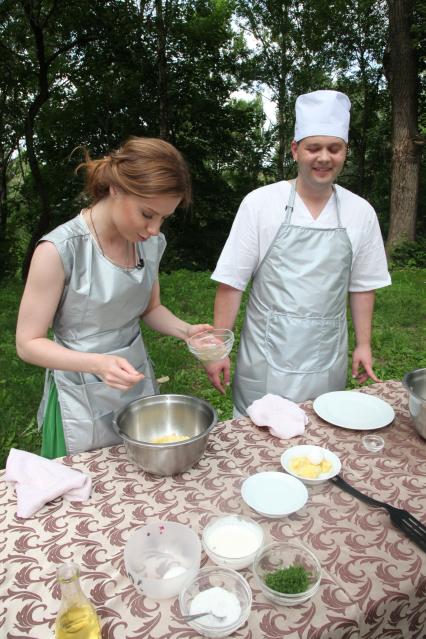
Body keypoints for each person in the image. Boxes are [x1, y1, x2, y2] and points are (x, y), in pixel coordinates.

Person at [16, 137, 211, 457]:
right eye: (148, 214)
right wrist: (97, 364)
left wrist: (186, 331)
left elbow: (151, 307)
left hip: (135, 383)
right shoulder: (59, 250)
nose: (154, 229)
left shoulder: (149, 243)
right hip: (79, 394)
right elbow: (27, 343)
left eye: (164, 218)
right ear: (115, 189)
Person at [206, 90, 391, 417]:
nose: (324, 158)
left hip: (326, 358)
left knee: (320, 442)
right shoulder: (260, 204)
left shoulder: (360, 212)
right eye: (313, 148)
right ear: (295, 150)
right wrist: (219, 348)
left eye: (334, 149)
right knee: (260, 443)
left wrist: (363, 345)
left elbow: (363, 286)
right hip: (265, 359)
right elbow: (232, 283)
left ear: (345, 152)